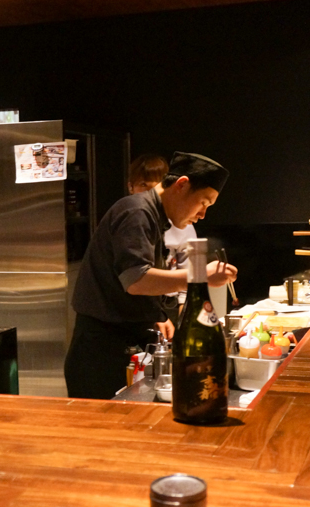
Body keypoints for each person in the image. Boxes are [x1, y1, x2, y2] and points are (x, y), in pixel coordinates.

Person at [65, 152, 237, 400]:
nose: (203, 214)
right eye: (204, 203)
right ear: (182, 185)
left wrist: (156, 315)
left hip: (118, 341)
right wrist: (200, 275)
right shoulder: (137, 211)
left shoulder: (155, 215)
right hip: (99, 351)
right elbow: (136, 280)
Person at [128, 153, 197, 321]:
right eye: (143, 185)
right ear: (130, 187)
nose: (150, 192)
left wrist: (183, 315)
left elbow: (188, 269)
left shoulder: (182, 221)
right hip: (135, 306)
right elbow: (134, 277)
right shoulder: (131, 217)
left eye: (157, 184)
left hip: (170, 305)